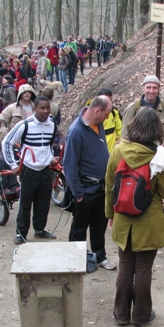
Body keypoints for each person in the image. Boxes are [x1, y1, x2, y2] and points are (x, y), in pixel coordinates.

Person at [105, 108, 164, 326]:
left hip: (123, 218)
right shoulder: (159, 156)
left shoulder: (118, 151)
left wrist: (110, 214)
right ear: (156, 129)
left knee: (126, 266)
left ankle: (121, 314)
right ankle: (141, 315)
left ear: (133, 125)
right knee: (143, 268)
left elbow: (109, 186)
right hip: (149, 220)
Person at [64, 96, 116, 270]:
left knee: (99, 224)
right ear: (97, 111)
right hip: (85, 190)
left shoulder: (98, 124)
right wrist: (78, 194)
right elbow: (69, 165)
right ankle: (75, 258)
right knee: (79, 226)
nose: (108, 117)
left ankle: (99, 256)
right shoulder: (76, 132)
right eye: (107, 113)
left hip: (101, 188)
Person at [2, 96, 58, 244]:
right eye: (42, 108)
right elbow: (7, 142)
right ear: (35, 109)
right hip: (29, 169)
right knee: (25, 203)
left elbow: (49, 144)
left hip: (45, 169)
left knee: (43, 202)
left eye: (48, 108)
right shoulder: (25, 125)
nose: (45, 111)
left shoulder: (52, 125)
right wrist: (13, 164)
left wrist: (50, 157)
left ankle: (39, 230)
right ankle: (21, 233)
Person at [122, 75, 164, 149]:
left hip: (158, 153)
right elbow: (125, 136)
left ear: (158, 89)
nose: (151, 91)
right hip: (137, 153)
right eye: (148, 87)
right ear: (143, 88)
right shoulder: (133, 108)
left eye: (154, 88)